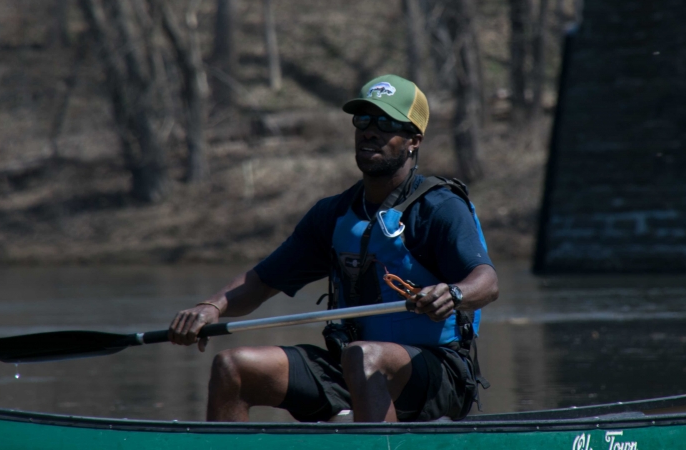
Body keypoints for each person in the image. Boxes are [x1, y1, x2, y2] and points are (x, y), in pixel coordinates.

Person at [168, 74, 499, 423]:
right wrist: (211, 307)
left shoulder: (440, 208)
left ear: (413, 140)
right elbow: (261, 281)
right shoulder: (332, 214)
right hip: (353, 364)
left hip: (438, 371)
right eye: (364, 120)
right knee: (232, 367)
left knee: (363, 357)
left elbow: (486, 282)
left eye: (386, 123)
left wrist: (454, 293)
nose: (371, 131)